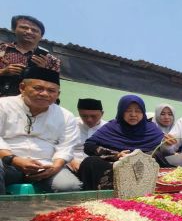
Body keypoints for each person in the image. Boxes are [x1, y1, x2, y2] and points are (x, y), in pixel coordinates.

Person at [0, 66, 81, 194]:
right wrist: (14, 160)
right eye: (38, 88)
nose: (44, 94)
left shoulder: (66, 116)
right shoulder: (3, 105)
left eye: (51, 90)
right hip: (8, 164)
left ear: (58, 94)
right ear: (22, 88)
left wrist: (55, 168)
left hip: (45, 167)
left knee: (69, 186)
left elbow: (66, 147)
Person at [78, 95, 164, 190]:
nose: (133, 114)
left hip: (143, 167)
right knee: (90, 162)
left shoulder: (151, 129)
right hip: (115, 166)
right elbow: (89, 146)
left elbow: (161, 150)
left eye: (138, 111)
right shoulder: (112, 127)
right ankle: (100, 197)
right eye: (128, 110)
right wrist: (117, 155)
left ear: (143, 112)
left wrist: (138, 157)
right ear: (121, 111)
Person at [0, 15, 61, 97]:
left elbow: (53, 88)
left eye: (35, 30)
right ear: (14, 29)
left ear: (41, 36)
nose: (29, 32)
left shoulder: (52, 61)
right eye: (24, 27)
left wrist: (42, 71)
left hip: (31, 104)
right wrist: (3, 71)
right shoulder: (1, 49)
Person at [68, 98, 107, 172]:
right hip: (70, 164)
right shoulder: (70, 124)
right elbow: (61, 146)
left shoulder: (108, 128)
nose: (89, 119)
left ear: (102, 114)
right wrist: (71, 161)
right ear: (79, 113)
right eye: (84, 116)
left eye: (93, 116)